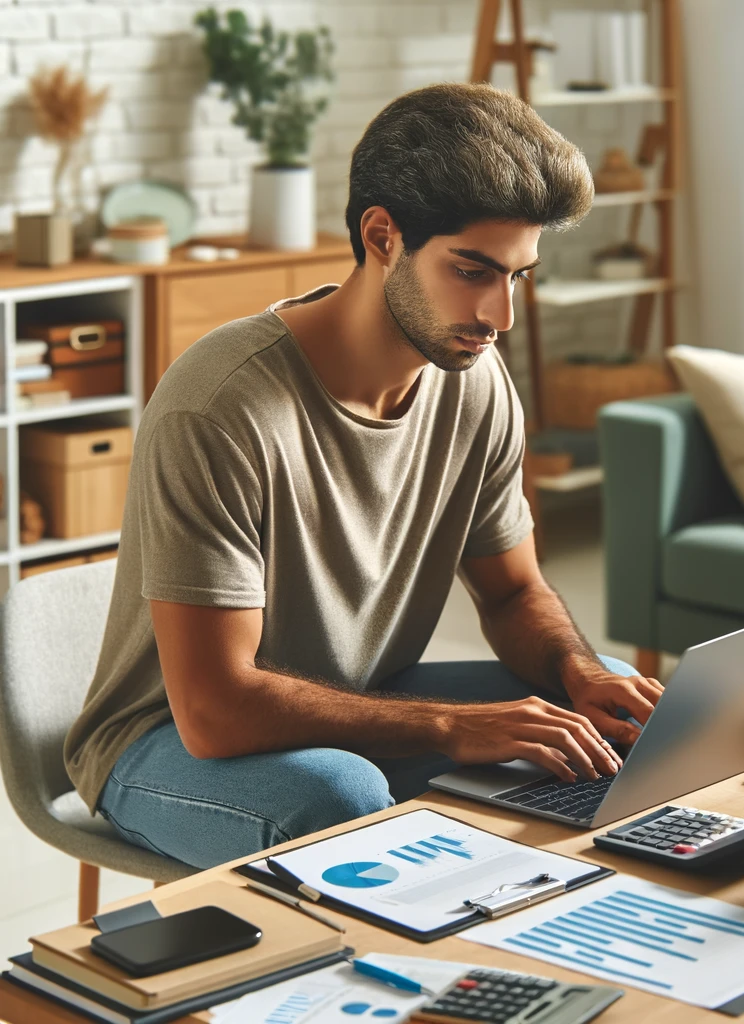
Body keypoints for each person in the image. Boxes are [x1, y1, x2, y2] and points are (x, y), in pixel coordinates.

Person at [64, 83, 664, 869]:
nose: (500, 316)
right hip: (168, 740)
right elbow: (216, 712)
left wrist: (575, 667)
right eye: (473, 270)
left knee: (610, 702)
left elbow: (514, 593)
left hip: (366, 692)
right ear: (382, 235)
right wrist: (452, 725)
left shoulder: (473, 382)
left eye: (517, 276)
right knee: (338, 796)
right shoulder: (219, 407)